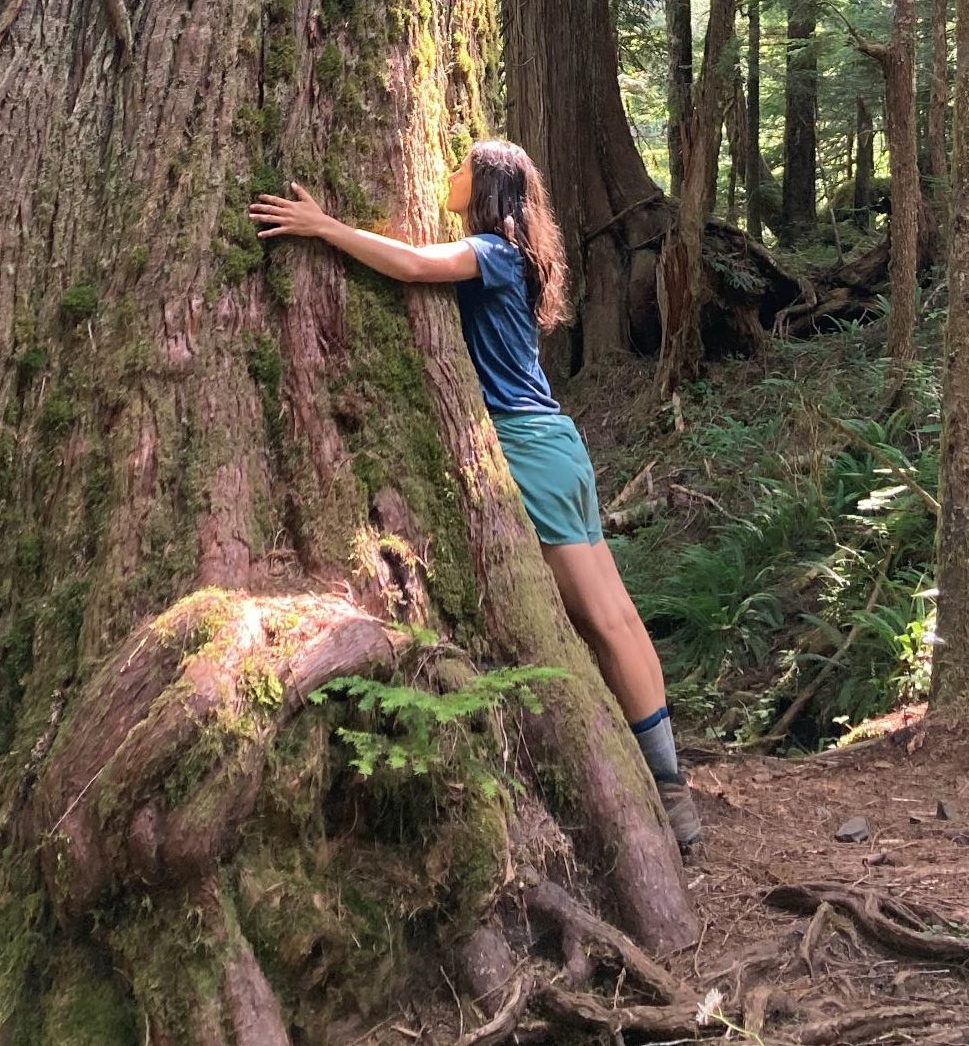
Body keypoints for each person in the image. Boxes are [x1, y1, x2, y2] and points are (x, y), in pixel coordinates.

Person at [249, 140, 702, 855]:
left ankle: (670, 798)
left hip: (526, 445)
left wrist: (323, 227)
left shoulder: (492, 252)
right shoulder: (510, 257)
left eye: (460, 166)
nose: (448, 173)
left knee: (603, 620)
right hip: (557, 445)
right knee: (616, 615)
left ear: (488, 187)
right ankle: (668, 776)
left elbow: (410, 265)